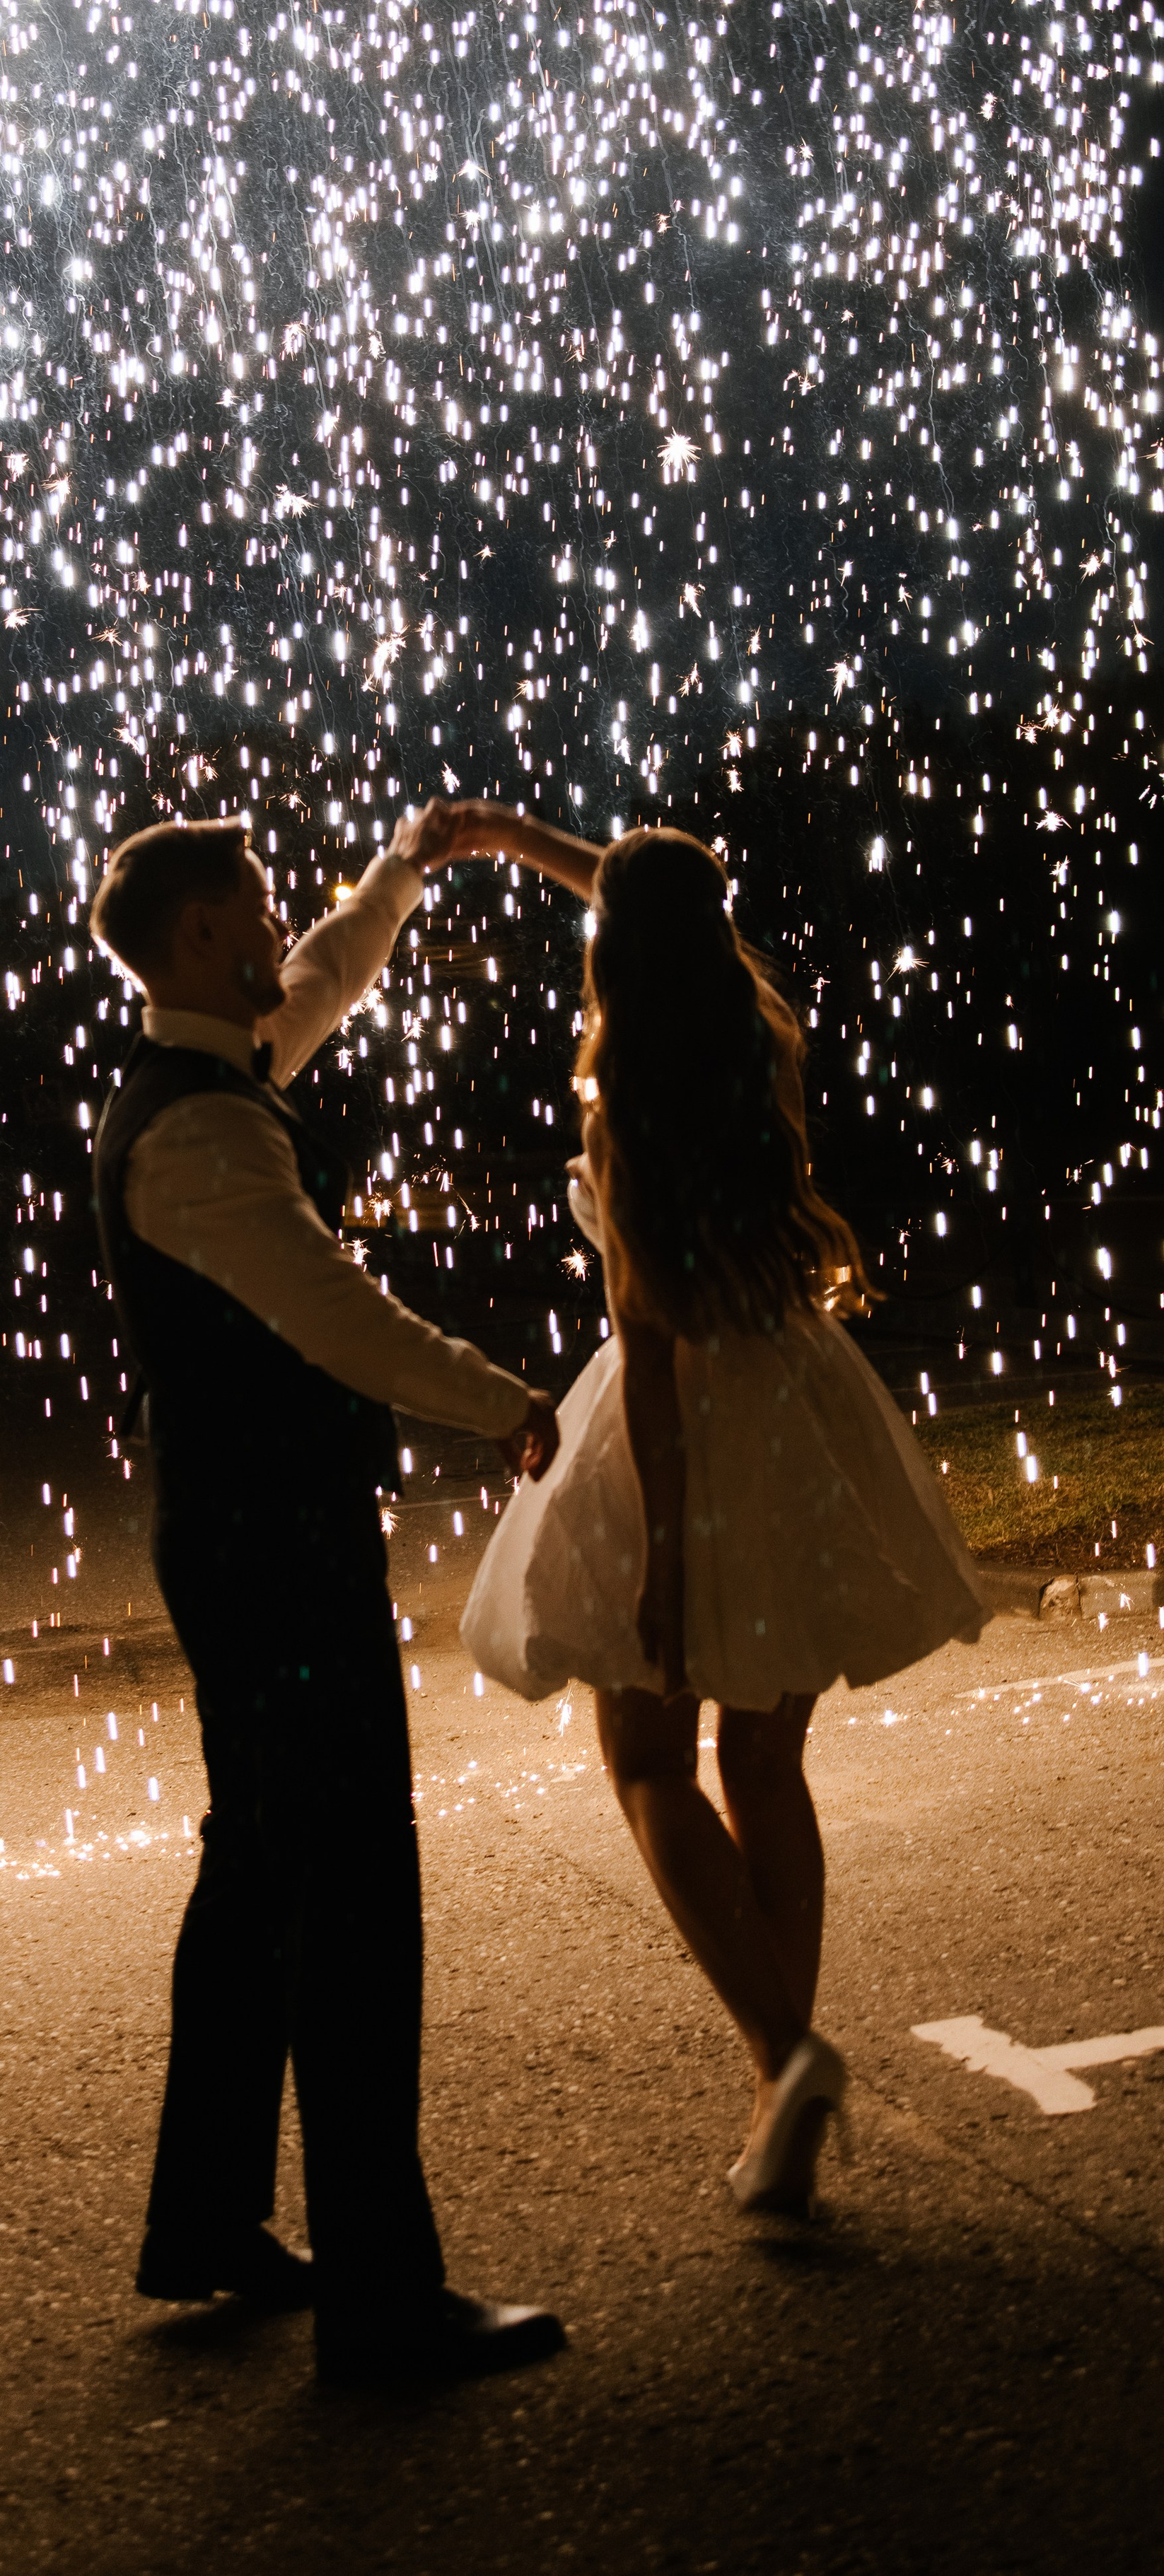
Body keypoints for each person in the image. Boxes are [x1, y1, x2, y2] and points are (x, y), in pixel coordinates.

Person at [89, 798, 566, 2386]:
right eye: (255, 906)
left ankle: (208, 2220)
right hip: (275, 1553)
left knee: (256, 1874)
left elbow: (320, 972)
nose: (277, 927)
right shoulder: (201, 1133)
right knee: (352, 1890)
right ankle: (378, 2296)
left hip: (233, 1538)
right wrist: (501, 1395)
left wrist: (405, 872)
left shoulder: (205, 1073)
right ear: (202, 938)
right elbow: (335, 1311)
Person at [454, 810, 988, 2214]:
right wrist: (519, 841)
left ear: (609, 956)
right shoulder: (757, 1037)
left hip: (686, 1422)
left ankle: (787, 2051)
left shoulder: (621, 1092)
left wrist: (666, 1567)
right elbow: (671, 912)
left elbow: (639, 1350)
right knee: (764, 1760)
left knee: (643, 1753)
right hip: (797, 1408)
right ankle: (779, 2095)